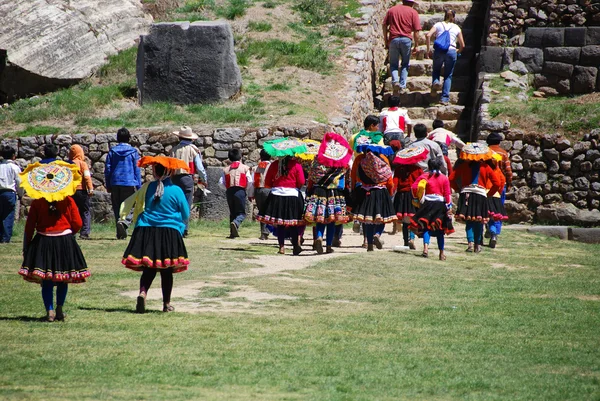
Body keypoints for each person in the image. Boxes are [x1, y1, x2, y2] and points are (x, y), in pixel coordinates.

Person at [18, 161, 90, 322]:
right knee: (63, 277)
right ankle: (59, 308)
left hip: (43, 241)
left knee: (47, 279)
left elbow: (29, 226)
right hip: (64, 241)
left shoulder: (37, 202)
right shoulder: (68, 200)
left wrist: (27, 245)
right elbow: (78, 222)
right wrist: (70, 234)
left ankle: (49, 310)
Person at [121, 156, 190, 313]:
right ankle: (166, 304)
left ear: (155, 171)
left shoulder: (147, 188)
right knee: (167, 270)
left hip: (147, 231)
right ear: (170, 171)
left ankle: (143, 293)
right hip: (169, 233)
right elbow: (185, 214)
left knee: (149, 268)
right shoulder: (177, 191)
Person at [303, 132, 352, 254]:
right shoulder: (342, 163)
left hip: (319, 191)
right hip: (334, 193)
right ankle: (328, 246)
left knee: (320, 218)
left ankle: (319, 237)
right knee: (332, 219)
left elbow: (312, 176)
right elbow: (346, 179)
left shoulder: (317, 159)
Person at [450, 143, 502, 253]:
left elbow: (451, 179)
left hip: (466, 194)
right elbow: (497, 183)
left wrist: (458, 189)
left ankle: (470, 243)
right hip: (480, 195)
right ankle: (477, 245)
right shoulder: (486, 167)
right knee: (479, 220)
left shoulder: (463, 166)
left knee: (469, 220)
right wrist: (489, 194)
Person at [257, 156, 306, 255]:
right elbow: (301, 181)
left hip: (277, 195)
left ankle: (282, 247)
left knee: (280, 223)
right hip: (292, 195)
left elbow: (267, 181)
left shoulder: (274, 164)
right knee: (293, 222)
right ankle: (295, 245)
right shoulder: (296, 165)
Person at [351, 145, 397, 251]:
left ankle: (369, 243)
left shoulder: (360, 159)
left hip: (365, 191)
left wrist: (354, 188)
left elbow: (354, 175)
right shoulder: (383, 159)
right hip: (381, 192)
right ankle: (377, 234)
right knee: (381, 218)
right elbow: (389, 179)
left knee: (367, 219)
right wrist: (390, 192)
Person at [409, 158, 454, 260]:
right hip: (440, 205)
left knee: (426, 227)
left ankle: (425, 248)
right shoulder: (443, 178)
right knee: (440, 230)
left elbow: (414, 187)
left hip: (427, 204)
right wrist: (449, 206)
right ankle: (441, 253)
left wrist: (419, 197)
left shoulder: (424, 176)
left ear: (429, 166)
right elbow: (447, 194)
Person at [169, 126, 208, 237]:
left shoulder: (173, 150)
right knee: (186, 204)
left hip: (174, 179)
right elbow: (200, 168)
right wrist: (204, 180)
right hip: (187, 178)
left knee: (175, 204)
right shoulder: (193, 150)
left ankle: (175, 227)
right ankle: (184, 229)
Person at [105, 127, 142, 240]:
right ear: (129, 138)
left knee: (117, 207)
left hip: (115, 182)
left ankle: (120, 232)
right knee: (130, 206)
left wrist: (108, 184)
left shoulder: (112, 152)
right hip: (129, 182)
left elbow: (108, 169)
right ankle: (124, 222)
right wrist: (139, 185)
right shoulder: (133, 152)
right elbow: (137, 169)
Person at [426, 9, 465, 105]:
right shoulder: (456, 28)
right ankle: (444, 98)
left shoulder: (438, 25)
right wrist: (458, 51)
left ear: (444, 16)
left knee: (436, 70)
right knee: (448, 75)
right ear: (454, 17)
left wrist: (428, 50)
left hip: (439, 51)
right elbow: (463, 45)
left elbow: (428, 35)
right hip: (451, 51)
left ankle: (435, 82)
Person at [383, 0, 422, 95]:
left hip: (393, 39)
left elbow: (384, 25)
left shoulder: (392, 10)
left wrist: (386, 39)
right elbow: (416, 31)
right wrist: (416, 45)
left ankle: (395, 81)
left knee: (393, 64)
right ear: (412, 3)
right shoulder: (413, 12)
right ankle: (402, 86)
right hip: (406, 40)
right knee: (405, 64)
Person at [392, 146, 424, 249]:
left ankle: (406, 241)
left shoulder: (398, 170)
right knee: (413, 218)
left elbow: (394, 184)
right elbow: (422, 183)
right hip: (413, 195)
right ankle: (411, 238)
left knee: (405, 220)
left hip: (401, 196)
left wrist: (391, 194)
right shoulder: (418, 169)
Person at [485, 133, 512, 248]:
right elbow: (508, 171)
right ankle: (495, 232)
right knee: (498, 210)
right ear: (499, 142)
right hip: (500, 184)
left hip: (486, 185)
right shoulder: (503, 153)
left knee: (488, 210)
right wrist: (509, 183)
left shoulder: (485, 152)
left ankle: (490, 229)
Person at [219, 149, 253, 239]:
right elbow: (249, 181)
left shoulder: (226, 169)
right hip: (240, 190)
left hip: (229, 191)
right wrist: (246, 189)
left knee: (232, 212)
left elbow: (221, 182)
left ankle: (232, 233)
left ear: (229, 158)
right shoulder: (245, 168)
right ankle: (236, 223)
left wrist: (227, 188)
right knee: (241, 213)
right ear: (241, 157)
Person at [69, 145, 94, 240]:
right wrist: (90, 188)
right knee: (85, 212)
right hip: (82, 191)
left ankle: (72, 231)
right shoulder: (82, 164)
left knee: (72, 212)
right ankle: (84, 232)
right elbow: (87, 177)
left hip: (71, 191)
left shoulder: (68, 164)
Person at [0, 146, 21, 243]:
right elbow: (19, 182)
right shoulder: (15, 167)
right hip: (9, 192)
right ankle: (6, 237)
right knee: (8, 215)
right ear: (13, 156)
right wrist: (20, 194)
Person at [251, 149, 272, 240]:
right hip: (269, 189)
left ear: (260, 156)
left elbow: (252, 181)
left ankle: (263, 232)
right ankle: (267, 230)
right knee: (269, 210)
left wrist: (251, 194)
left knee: (261, 210)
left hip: (258, 190)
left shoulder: (255, 168)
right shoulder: (272, 166)